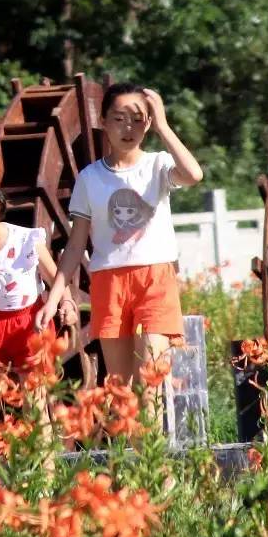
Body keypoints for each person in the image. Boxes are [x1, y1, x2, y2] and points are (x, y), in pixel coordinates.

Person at [37, 84, 203, 420]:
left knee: (151, 381)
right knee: (123, 391)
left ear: (148, 123)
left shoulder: (158, 164)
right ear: (104, 121)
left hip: (154, 277)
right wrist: (54, 297)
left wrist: (164, 127)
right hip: (108, 282)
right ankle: (144, 471)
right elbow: (75, 244)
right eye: (120, 118)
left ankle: (160, 474)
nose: (129, 128)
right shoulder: (89, 178)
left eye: (138, 120)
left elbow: (194, 175)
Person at [0, 173, 77, 465]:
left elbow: (54, 276)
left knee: (35, 406)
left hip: (29, 324)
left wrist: (67, 301)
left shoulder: (25, 240)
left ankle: (45, 478)